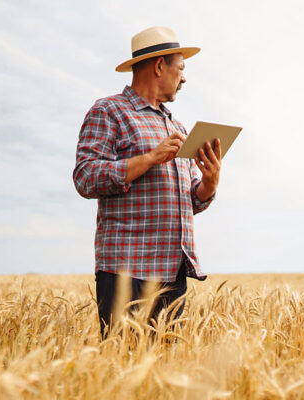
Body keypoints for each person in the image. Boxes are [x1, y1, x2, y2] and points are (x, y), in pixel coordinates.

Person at [73, 27, 222, 337]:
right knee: (121, 366)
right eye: (180, 69)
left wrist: (209, 183)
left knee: (164, 374)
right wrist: (149, 158)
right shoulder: (108, 111)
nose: (184, 78)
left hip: (172, 272)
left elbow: (190, 199)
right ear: (159, 66)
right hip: (127, 271)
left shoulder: (176, 125)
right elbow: (85, 177)